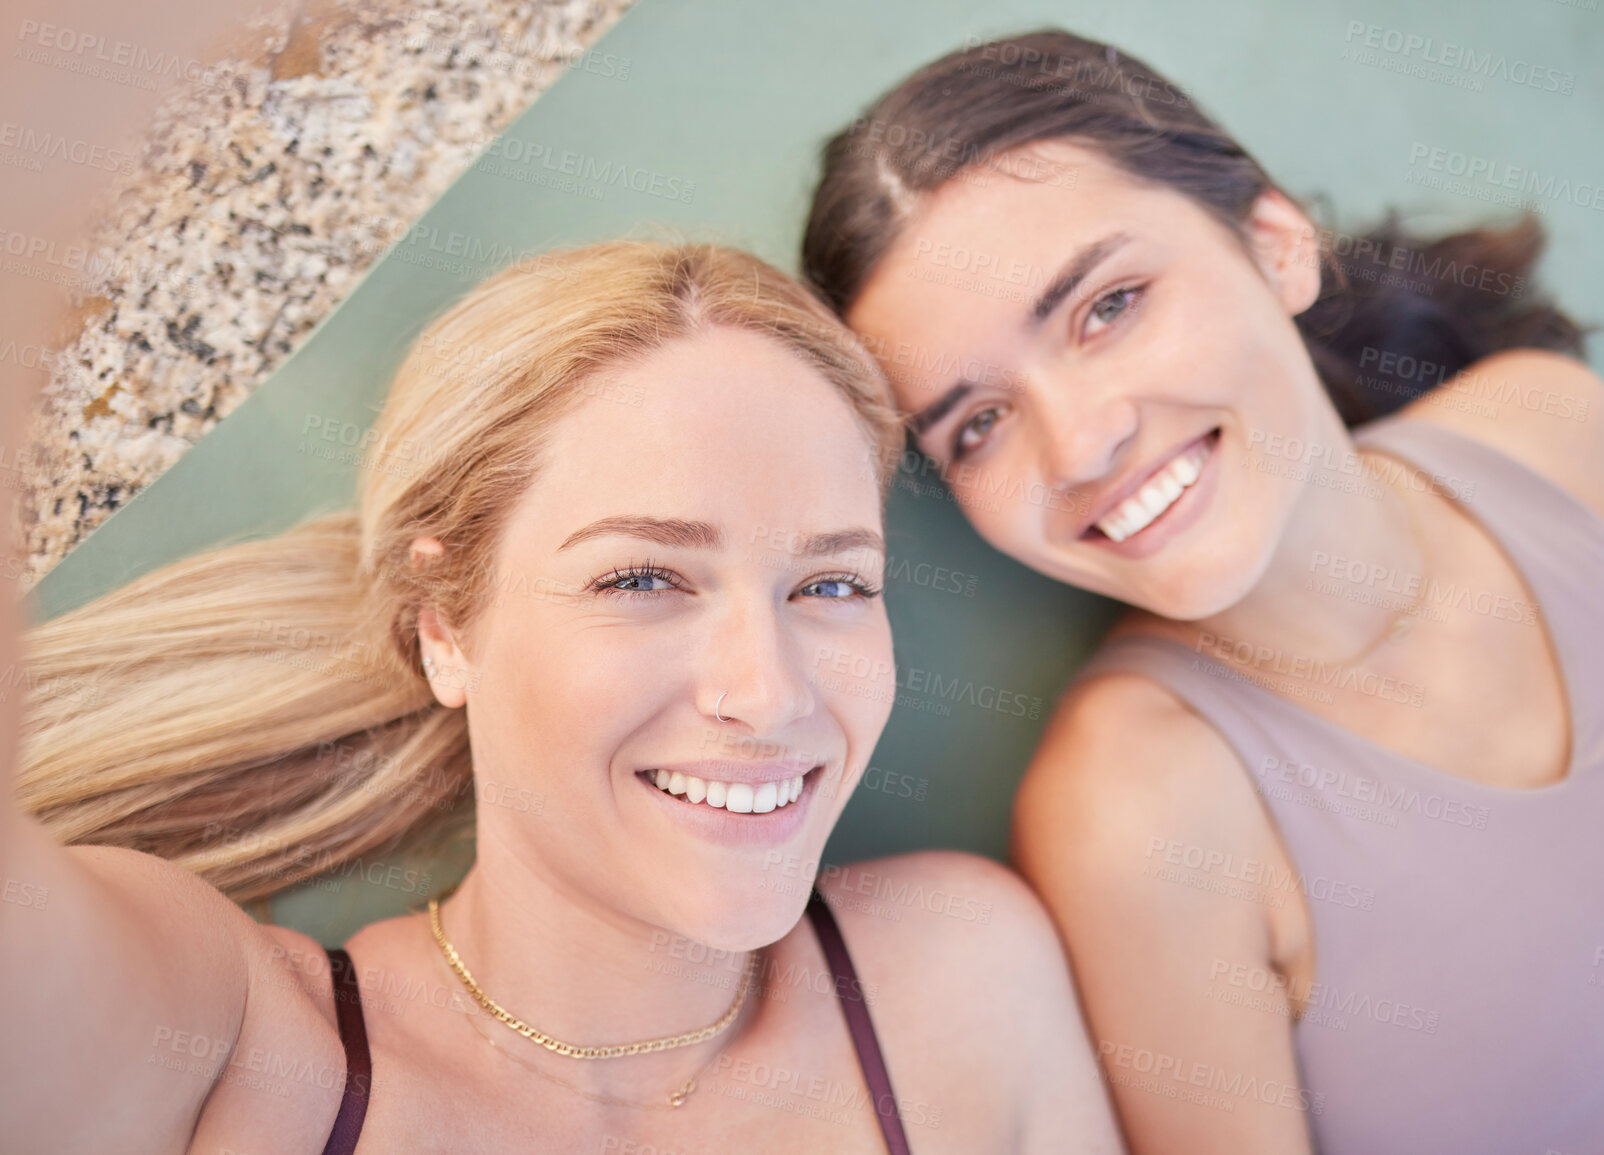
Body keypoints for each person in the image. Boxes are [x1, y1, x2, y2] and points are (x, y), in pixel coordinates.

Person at [801, 29, 1604, 1155]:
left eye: (1108, 305)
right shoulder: (1142, 810)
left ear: (1278, 246)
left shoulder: (1547, 426)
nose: (1084, 443)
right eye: (980, 424)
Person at [0, 242, 1125, 1154]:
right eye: (643, 579)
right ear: (446, 631)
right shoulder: (242, 1047)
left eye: (831, 583)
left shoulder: (960, 974)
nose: (767, 692)